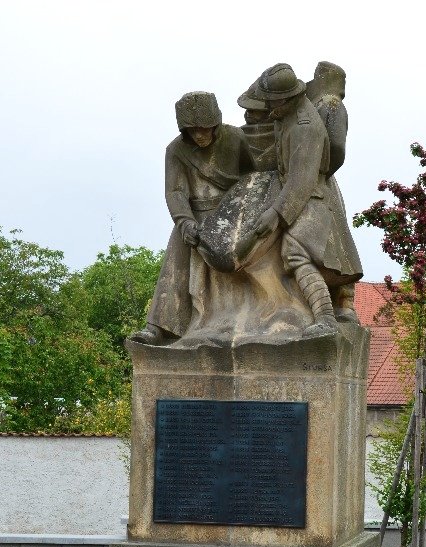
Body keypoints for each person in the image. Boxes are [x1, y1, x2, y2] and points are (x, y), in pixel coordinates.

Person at [248, 63, 363, 339]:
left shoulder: (306, 126)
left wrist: (276, 214)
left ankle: (325, 318)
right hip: (299, 192)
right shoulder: (287, 115)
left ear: (286, 99)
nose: (268, 108)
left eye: (272, 102)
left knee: (295, 251)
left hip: (311, 196)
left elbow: (302, 179)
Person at [131, 91, 253, 345]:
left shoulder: (235, 138)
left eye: (204, 128)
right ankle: (159, 327)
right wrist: (184, 221)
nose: (199, 135)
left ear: (215, 124)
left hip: (233, 212)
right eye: (193, 130)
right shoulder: (176, 150)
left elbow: (254, 176)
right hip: (194, 214)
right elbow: (175, 191)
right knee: (175, 258)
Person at [306, 61, 361, 323]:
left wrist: (321, 171)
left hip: (319, 180)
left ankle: (342, 300)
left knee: (332, 241)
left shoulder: (329, 104)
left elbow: (336, 147)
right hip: (314, 178)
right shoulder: (317, 105)